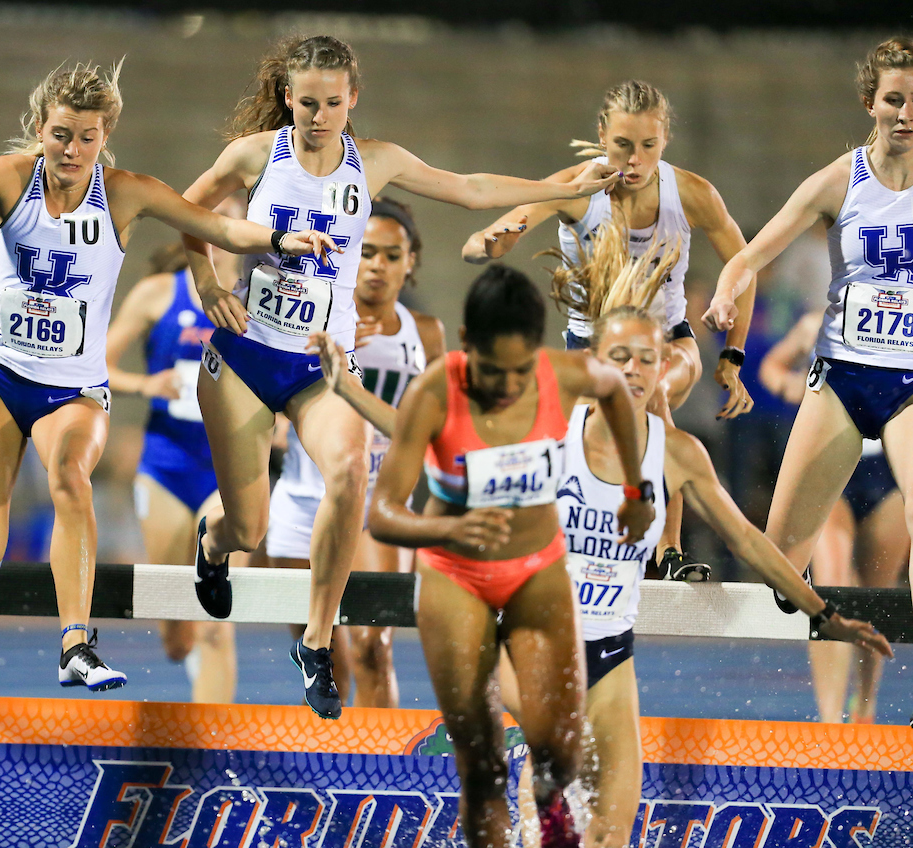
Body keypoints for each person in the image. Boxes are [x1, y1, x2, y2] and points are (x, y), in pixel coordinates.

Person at [0, 61, 337, 692]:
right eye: (62, 134)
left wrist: (281, 239)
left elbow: (214, 224)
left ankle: (75, 644)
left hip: (73, 391)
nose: (73, 150)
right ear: (40, 129)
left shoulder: (125, 192)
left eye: (88, 137)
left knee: (71, 474)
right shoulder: (8, 180)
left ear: (105, 135)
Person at [181, 34, 620, 719]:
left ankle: (318, 643)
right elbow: (189, 212)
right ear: (286, 99)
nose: (319, 115)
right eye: (306, 103)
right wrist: (206, 280)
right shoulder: (255, 156)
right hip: (243, 356)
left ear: (353, 99)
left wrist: (563, 187)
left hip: (317, 367)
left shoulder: (375, 164)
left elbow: (470, 190)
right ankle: (212, 543)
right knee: (247, 527)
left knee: (351, 471)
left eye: (332, 102)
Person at [545, 224, 893, 848]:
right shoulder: (549, 434)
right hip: (541, 648)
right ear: (594, 361)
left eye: (647, 360)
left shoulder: (678, 453)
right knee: (544, 812)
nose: (633, 372)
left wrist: (823, 611)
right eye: (618, 358)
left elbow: (750, 542)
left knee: (611, 828)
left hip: (611, 659)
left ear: (663, 368)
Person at [368, 265, 654, 848]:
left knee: (562, 754)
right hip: (456, 579)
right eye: (492, 371)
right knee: (484, 769)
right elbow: (383, 512)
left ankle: (553, 821)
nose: (506, 385)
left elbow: (617, 392)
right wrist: (447, 526)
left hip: (537, 571)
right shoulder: (432, 391)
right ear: (466, 341)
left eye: (521, 372)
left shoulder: (563, 374)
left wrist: (636, 490)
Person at [462, 80, 758, 582]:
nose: (635, 159)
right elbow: (480, 242)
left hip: (668, 341)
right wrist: (490, 243)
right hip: (590, 349)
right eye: (623, 145)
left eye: (648, 146)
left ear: (664, 139)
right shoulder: (575, 190)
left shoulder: (690, 194)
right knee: (566, 439)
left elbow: (746, 263)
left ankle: (668, 551)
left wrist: (733, 355)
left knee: (648, 386)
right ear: (602, 135)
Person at [703, 37, 913, 612]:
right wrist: (725, 290)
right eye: (896, 99)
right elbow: (750, 255)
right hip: (842, 378)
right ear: (871, 101)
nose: (908, 115)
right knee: (781, 572)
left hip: (911, 383)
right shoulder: (841, 180)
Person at [269, 197, 444, 708]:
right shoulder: (310, 320)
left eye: (393, 254)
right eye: (367, 252)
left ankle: (382, 773)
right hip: (304, 501)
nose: (378, 266)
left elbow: (439, 425)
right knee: (326, 665)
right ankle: (338, 773)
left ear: (410, 261)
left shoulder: (425, 333)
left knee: (373, 647)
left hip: (379, 504)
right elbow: (274, 406)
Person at [104, 212, 245, 704]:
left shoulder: (259, 295)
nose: (226, 233)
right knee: (177, 634)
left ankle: (208, 751)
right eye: (217, 221)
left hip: (227, 473)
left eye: (237, 222)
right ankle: (176, 634)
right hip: (165, 467)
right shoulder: (159, 293)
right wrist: (146, 384)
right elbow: (97, 365)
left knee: (215, 624)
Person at [759, 310, 908, 723]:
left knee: (877, 591)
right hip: (834, 470)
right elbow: (770, 365)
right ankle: (829, 717)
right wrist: (789, 386)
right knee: (832, 580)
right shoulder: (815, 323)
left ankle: (864, 703)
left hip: (890, 475)